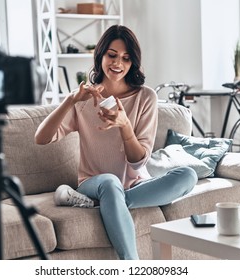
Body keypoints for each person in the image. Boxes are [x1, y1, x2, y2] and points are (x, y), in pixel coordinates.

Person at [35, 25, 198, 260]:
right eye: (112, 55)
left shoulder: (146, 97)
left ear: (133, 63)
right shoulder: (83, 99)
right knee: (110, 183)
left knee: (188, 175)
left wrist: (124, 126)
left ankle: (106, 204)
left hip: (134, 184)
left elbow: (138, 163)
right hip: (94, 183)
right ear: (100, 55)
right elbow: (41, 138)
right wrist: (70, 100)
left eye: (126, 58)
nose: (117, 63)